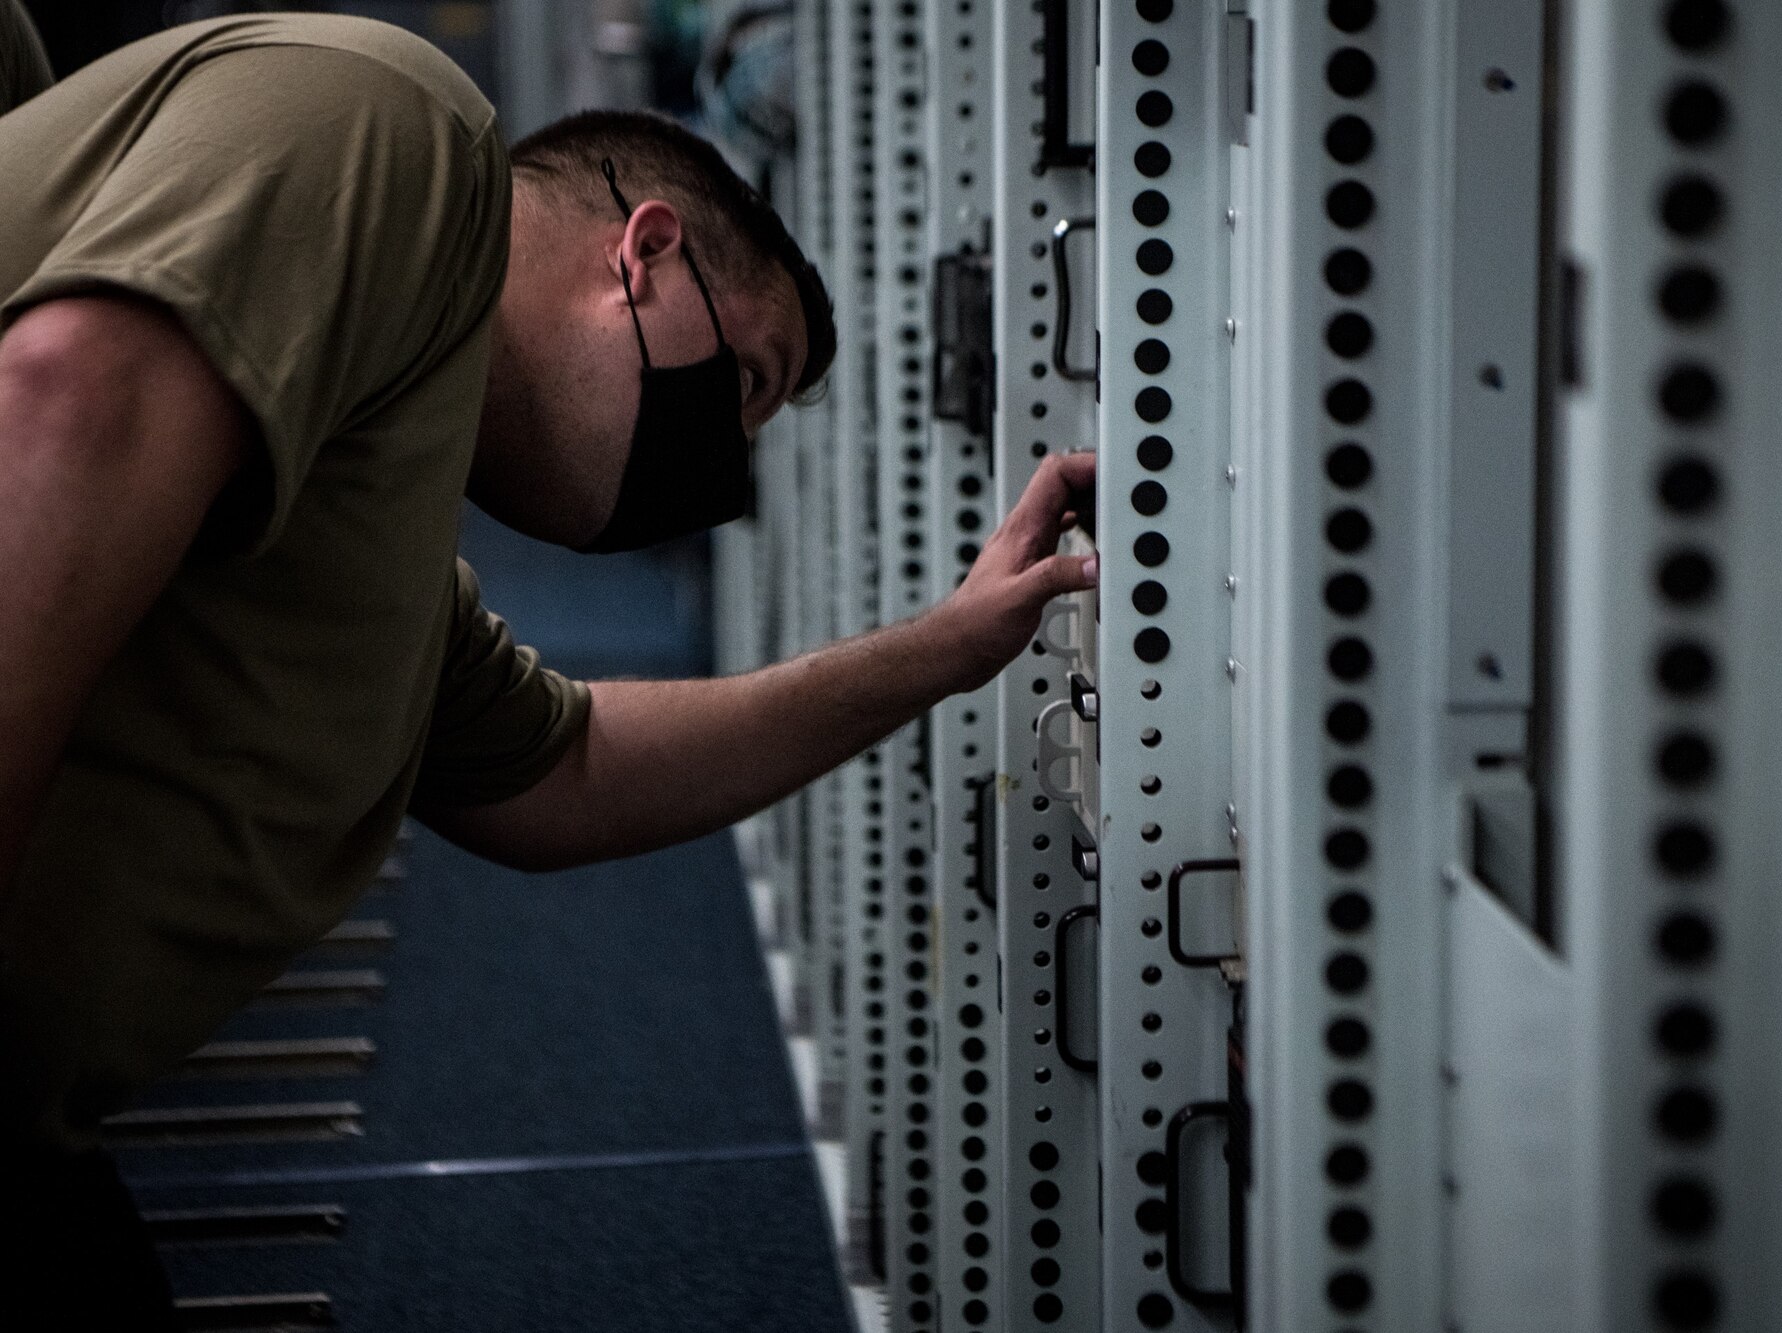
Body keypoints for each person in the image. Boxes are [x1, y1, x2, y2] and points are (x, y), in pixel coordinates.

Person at [0, 10, 1096, 1327]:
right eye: (746, 376)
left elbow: (564, 774)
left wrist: (948, 645)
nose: (729, 455)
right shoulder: (398, 125)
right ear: (645, 253)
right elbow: (68, 404)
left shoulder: (385, 536)